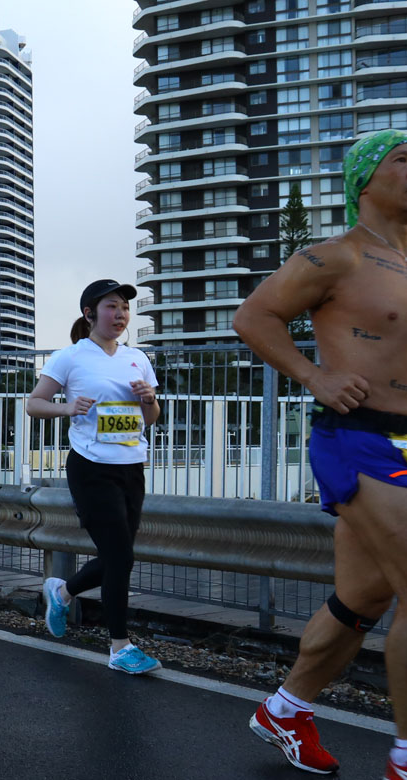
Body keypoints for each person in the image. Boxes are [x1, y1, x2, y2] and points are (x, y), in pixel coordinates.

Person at [234, 129, 407, 778]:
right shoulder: (339, 257)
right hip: (356, 437)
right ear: (365, 179)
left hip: (404, 441)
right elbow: (253, 317)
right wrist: (315, 376)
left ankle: (285, 708)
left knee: (359, 602)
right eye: (403, 160)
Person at [27, 280, 162, 675]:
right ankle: (120, 646)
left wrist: (148, 400)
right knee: (120, 556)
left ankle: (62, 589)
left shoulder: (137, 358)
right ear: (89, 314)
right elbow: (35, 404)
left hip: (131, 467)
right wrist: (68, 408)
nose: (120, 315)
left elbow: (150, 420)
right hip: (91, 467)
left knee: (117, 556)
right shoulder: (71, 358)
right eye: (111, 307)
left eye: (124, 308)